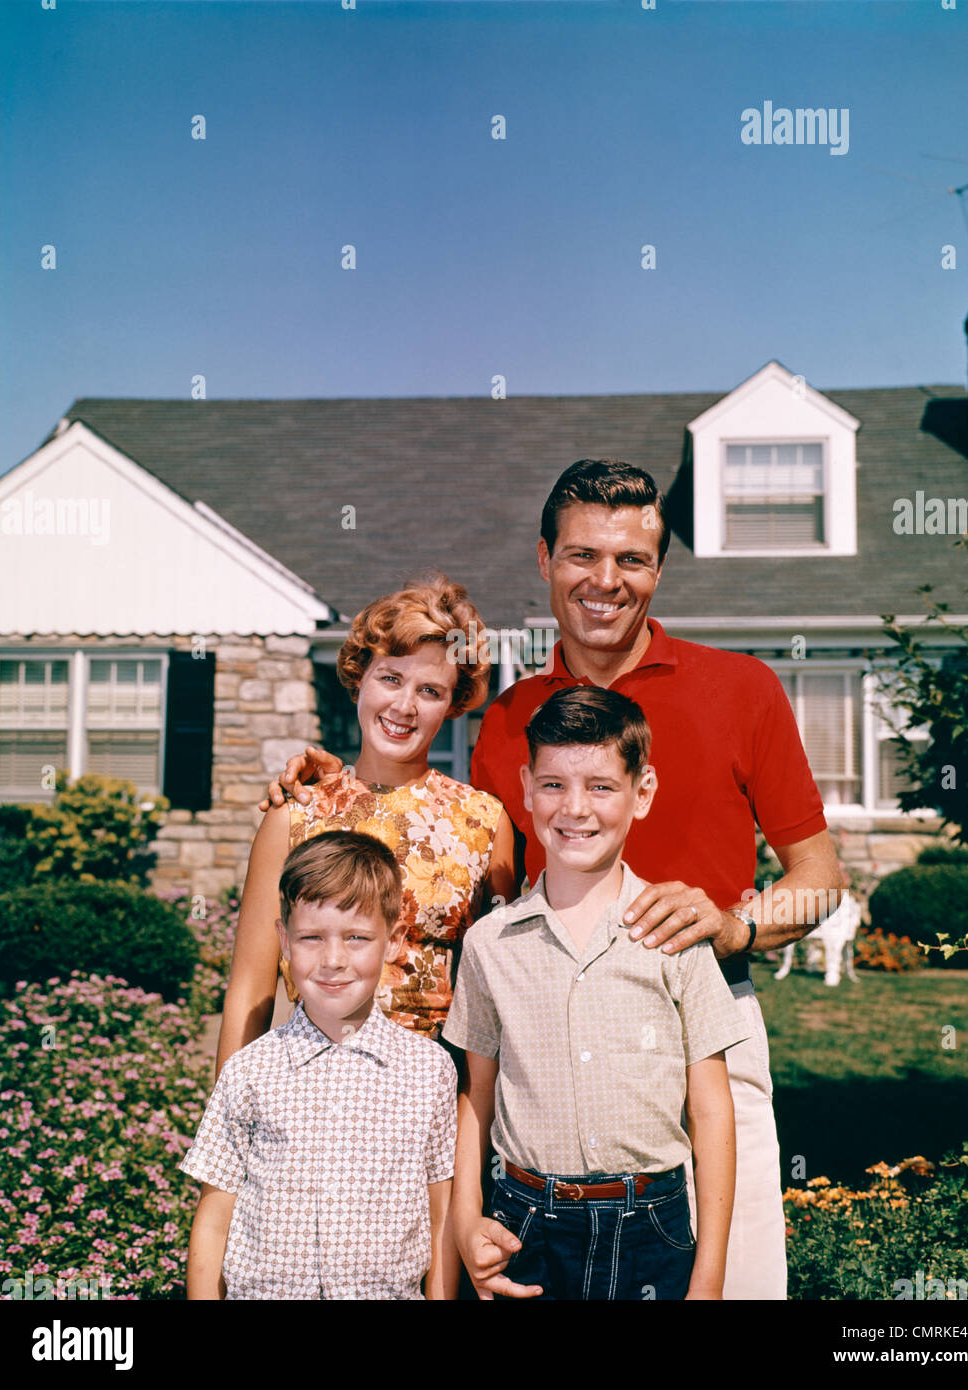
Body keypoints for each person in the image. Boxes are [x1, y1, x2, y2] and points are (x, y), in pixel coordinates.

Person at [265, 459, 844, 1299]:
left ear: (658, 569)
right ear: (545, 560)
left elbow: (819, 875)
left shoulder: (741, 688)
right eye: (582, 556)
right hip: (545, 1037)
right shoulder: (509, 718)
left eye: (631, 560)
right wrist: (331, 785)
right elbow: (451, 838)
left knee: (733, 1280)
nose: (605, 581)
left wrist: (733, 925)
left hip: (706, 1019)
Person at [444, 686, 747, 1300]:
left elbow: (712, 1111)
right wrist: (464, 1218)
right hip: (523, 1225)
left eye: (602, 787)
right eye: (554, 784)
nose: (575, 808)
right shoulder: (489, 943)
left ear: (643, 793)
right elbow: (475, 1096)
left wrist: (710, 1277)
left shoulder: (677, 936)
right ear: (527, 787)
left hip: (651, 1230)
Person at [217, 574, 516, 1075]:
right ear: (360, 677)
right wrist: (223, 1126)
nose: (404, 706)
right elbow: (250, 987)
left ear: (453, 703)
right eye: (391, 679)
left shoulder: (483, 822)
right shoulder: (297, 813)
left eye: (429, 690)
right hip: (311, 1081)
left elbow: (497, 998)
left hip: (433, 1091)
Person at [182, 830, 459, 1300]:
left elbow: (440, 1218)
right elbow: (213, 1222)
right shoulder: (249, 1071)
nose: (333, 960)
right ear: (284, 942)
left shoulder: (428, 1071)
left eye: (356, 938)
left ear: (393, 941)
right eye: (311, 937)